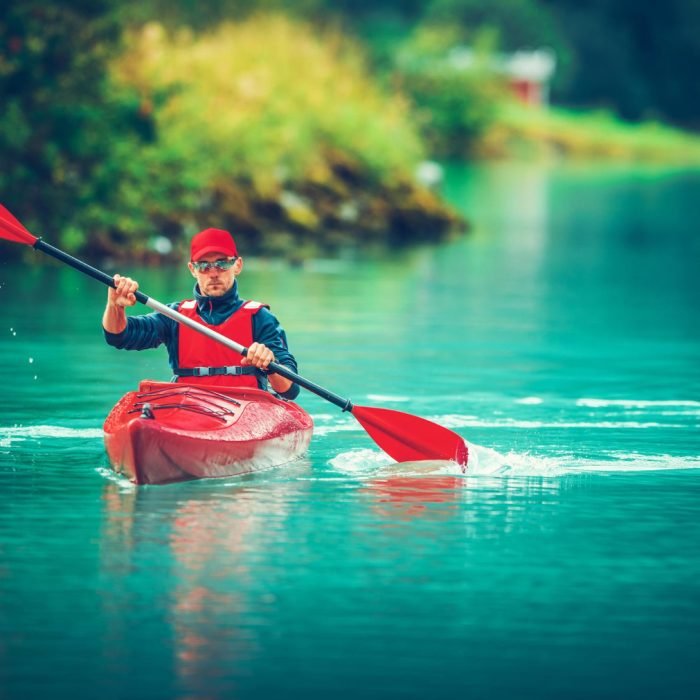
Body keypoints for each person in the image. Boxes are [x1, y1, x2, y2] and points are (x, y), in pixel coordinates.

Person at [102, 227, 300, 400]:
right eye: (204, 265)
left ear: (237, 265)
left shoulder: (260, 318)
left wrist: (269, 363)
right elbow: (119, 337)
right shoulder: (174, 316)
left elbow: (290, 390)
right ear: (192, 269)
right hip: (189, 410)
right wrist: (115, 306)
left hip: (248, 413)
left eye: (222, 263)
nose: (213, 273)